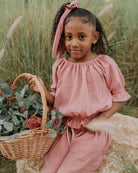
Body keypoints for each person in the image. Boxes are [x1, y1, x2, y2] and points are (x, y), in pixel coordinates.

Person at [25, 1, 131, 172]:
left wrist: (103, 117)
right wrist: (43, 91)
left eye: (81, 37)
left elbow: (120, 96)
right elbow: (57, 102)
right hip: (65, 131)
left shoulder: (104, 64)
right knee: (49, 169)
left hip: (92, 130)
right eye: (69, 37)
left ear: (94, 37)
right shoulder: (60, 66)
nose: (74, 43)